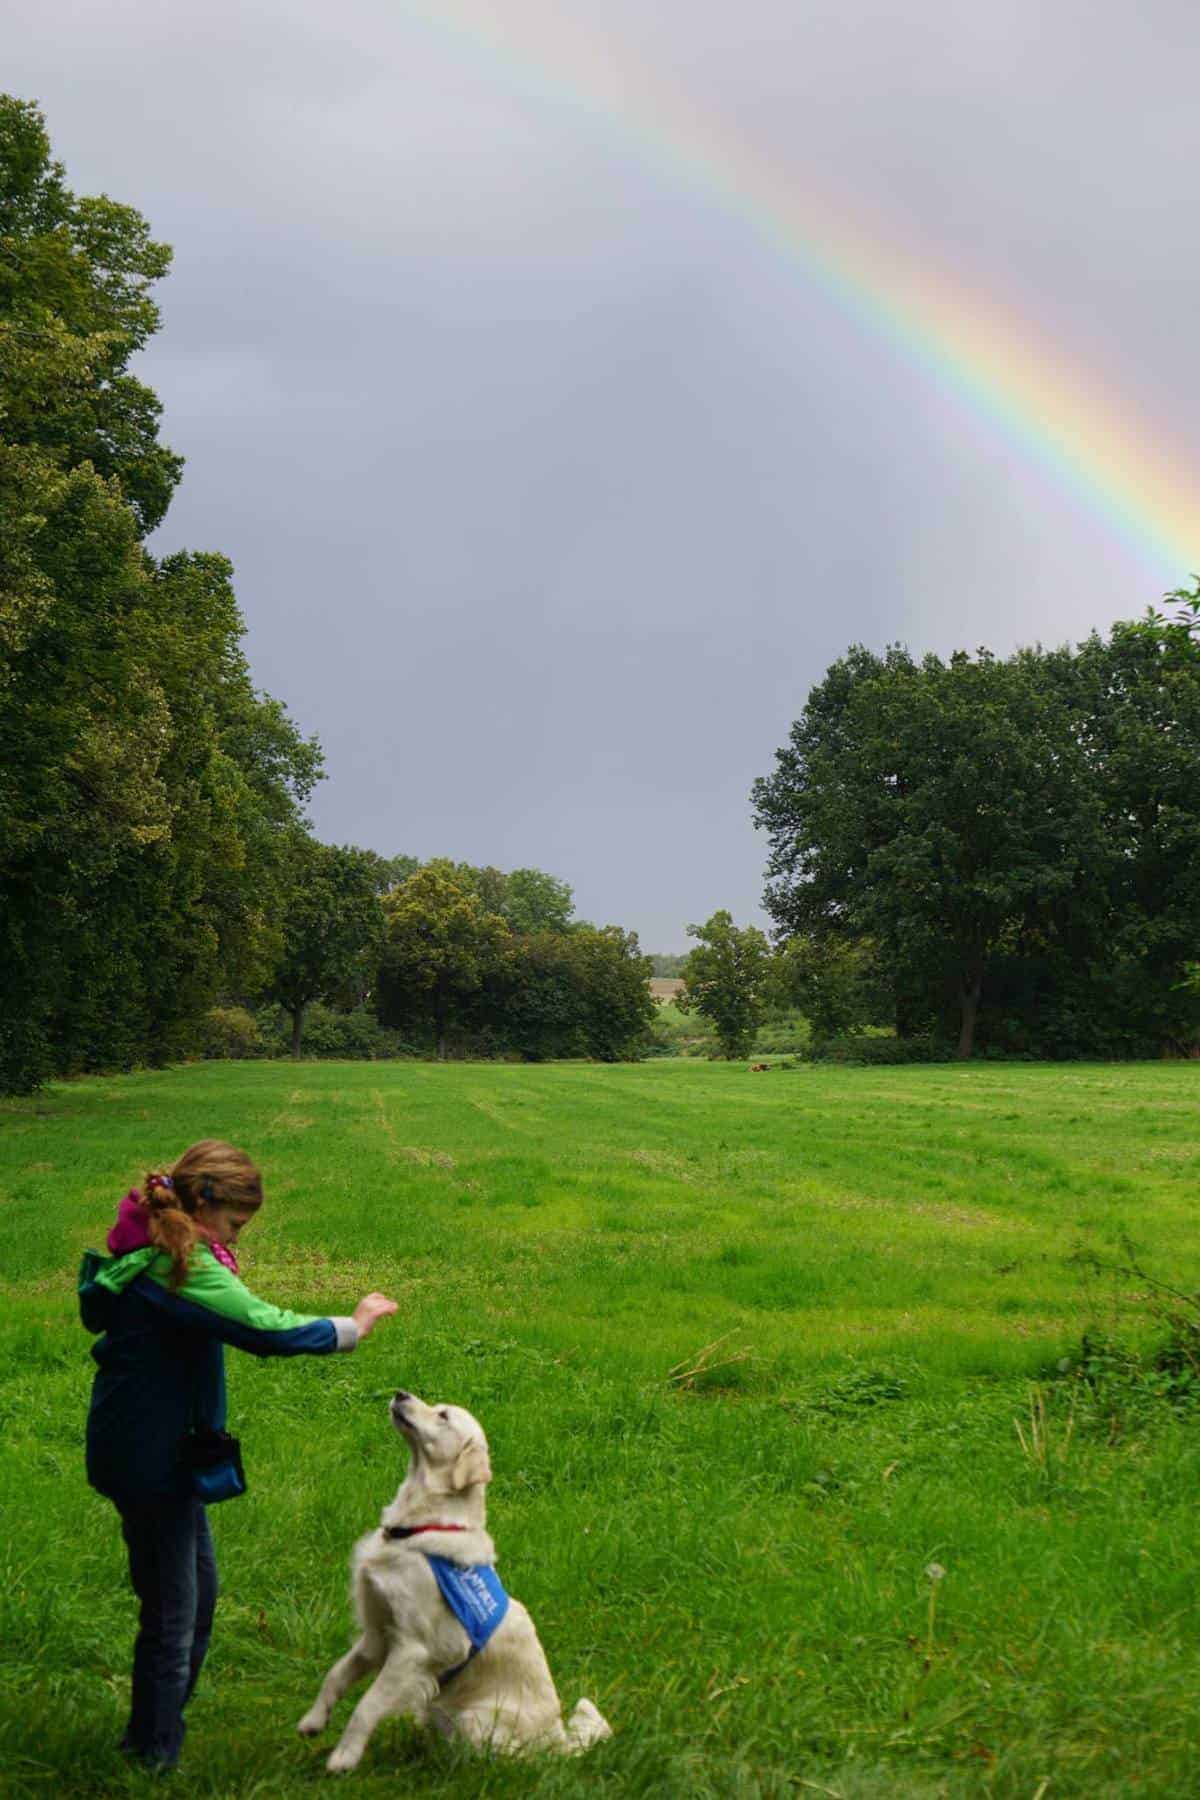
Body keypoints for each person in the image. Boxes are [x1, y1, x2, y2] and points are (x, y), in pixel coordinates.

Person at [79, 1138, 397, 1770]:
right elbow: (262, 1326)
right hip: (151, 1458)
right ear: (201, 1205)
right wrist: (351, 1327)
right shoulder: (179, 1265)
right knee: (174, 1614)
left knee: (195, 1598)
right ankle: (150, 1758)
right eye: (235, 1225)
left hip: (155, 1449)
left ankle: (152, 1736)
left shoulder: (161, 1246)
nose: (239, 1238)